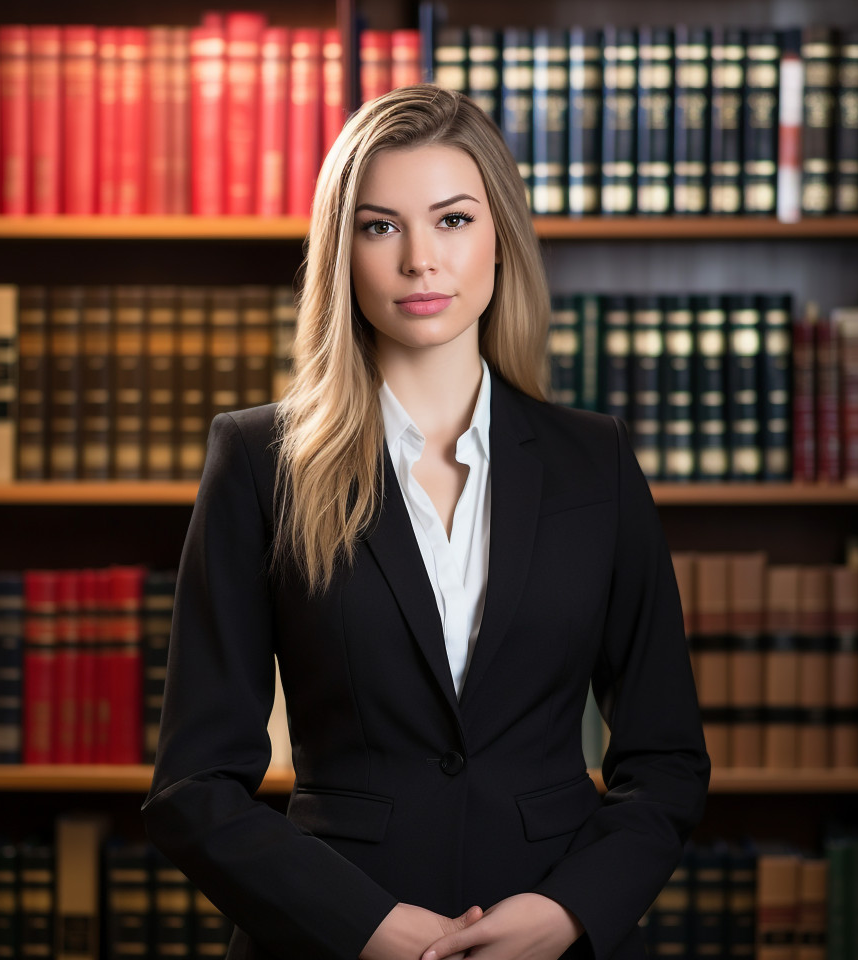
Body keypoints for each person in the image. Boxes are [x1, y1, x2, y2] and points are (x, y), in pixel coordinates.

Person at [141, 84, 711, 960]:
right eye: (381, 227)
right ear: (343, 251)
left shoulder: (594, 461)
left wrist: (569, 911)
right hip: (332, 940)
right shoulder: (259, 461)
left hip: (556, 937)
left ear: (499, 236)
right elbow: (194, 784)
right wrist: (361, 925)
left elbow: (667, 759)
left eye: (452, 220)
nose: (420, 260)